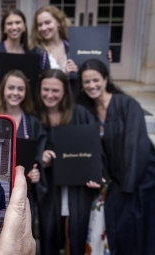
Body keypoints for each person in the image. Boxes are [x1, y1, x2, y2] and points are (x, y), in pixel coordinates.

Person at [77, 59, 155, 255]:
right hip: (117, 179)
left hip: (142, 176)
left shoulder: (127, 104)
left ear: (105, 79)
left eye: (96, 80)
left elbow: (135, 145)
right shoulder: (88, 112)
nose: (92, 85)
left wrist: (127, 186)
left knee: (140, 229)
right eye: (87, 82)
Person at [36, 69, 101, 255]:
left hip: (77, 185)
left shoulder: (80, 114)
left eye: (55, 90)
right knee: (49, 232)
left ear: (65, 91)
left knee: (73, 233)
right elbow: (30, 151)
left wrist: (94, 173)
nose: (50, 95)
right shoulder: (34, 117)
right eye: (45, 89)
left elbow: (93, 148)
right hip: (49, 187)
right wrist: (41, 157)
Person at [0, 69, 46, 228]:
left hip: (22, 190)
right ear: (3, 90)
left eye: (20, 89)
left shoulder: (33, 123)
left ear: (26, 93)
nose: (15, 92)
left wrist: (36, 171)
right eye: (11, 87)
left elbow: (37, 157)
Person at [30, 5, 79, 97]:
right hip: (48, 104)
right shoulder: (36, 52)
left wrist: (104, 56)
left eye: (47, 22)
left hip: (74, 100)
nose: (43, 28)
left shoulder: (74, 46)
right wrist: (64, 75)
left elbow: (89, 68)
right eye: (40, 25)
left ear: (59, 22)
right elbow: (35, 85)